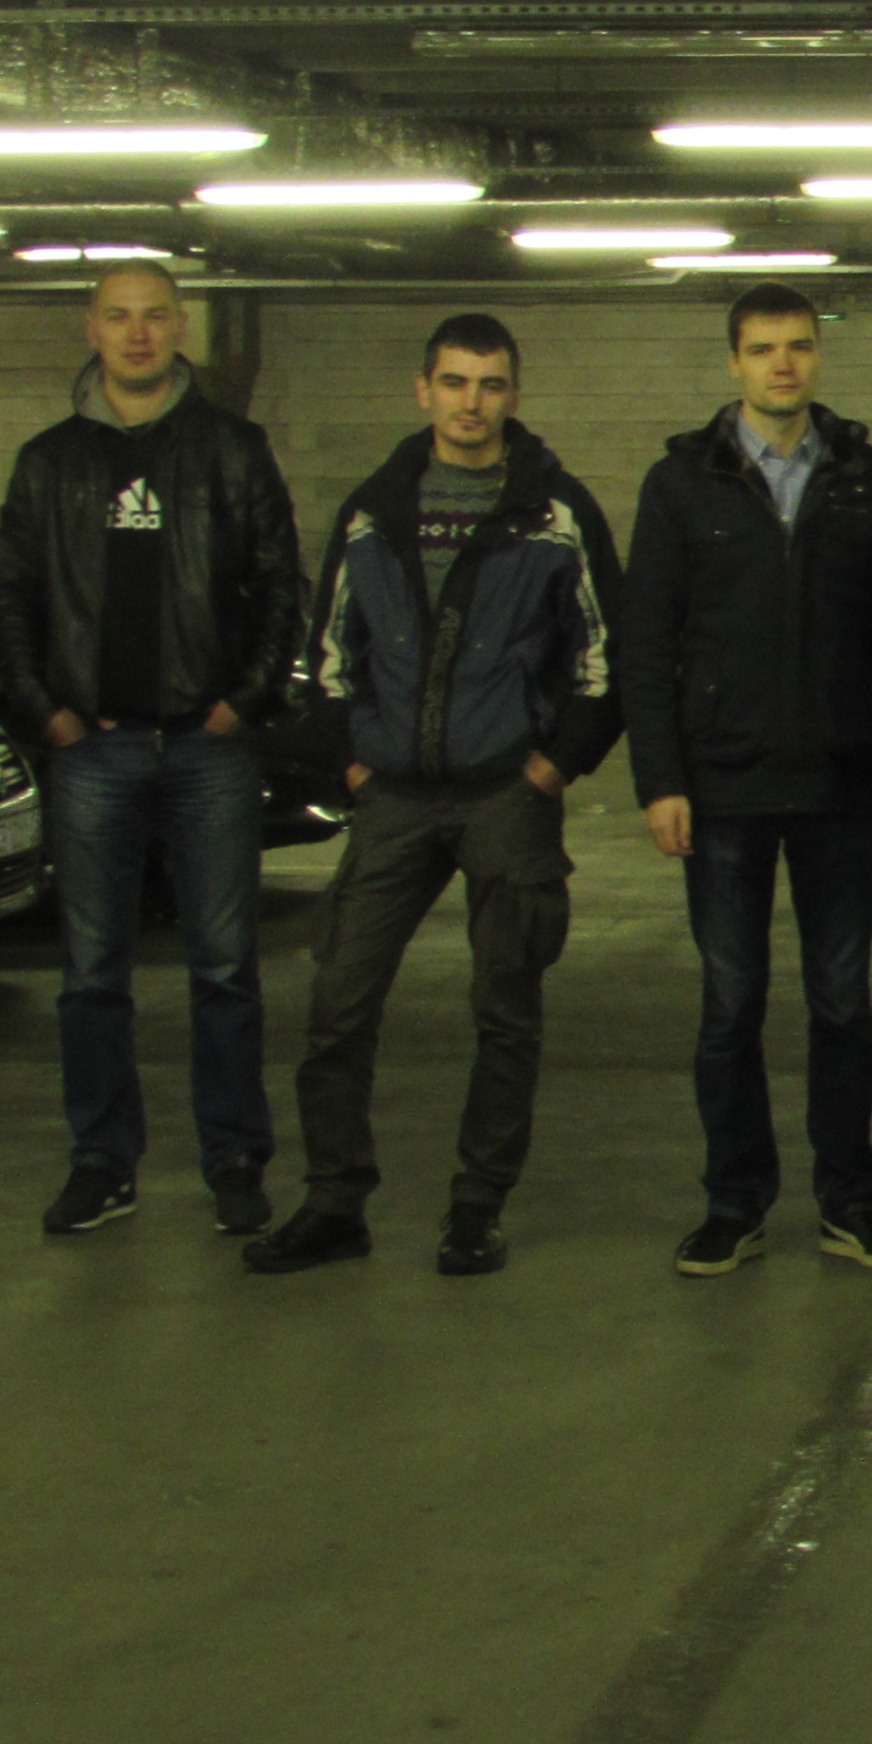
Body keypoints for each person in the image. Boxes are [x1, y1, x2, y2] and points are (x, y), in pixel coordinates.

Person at [247, 314, 624, 1279]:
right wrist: (354, 767)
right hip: (394, 800)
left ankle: (476, 1208)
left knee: (505, 1011)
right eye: (454, 382)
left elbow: (604, 661)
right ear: (424, 390)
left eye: (490, 385)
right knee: (338, 1005)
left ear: (513, 394)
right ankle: (334, 1201)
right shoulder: (374, 511)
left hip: (507, 797)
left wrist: (551, 768)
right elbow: (331, 654)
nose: (472, 403)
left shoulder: (555, 512)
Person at [0, 258, 307, 1238]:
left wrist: (243, 702)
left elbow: (280, 584)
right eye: (119, 316)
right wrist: (46, 709)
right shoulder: (47, 463)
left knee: (225, 970)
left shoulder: (232, 450)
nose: (137, 333)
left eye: (156, 316)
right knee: (92, 975)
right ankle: (102, 1163)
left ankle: (235, 1161)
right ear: (91, 329)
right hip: (94, 752)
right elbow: (14, 597)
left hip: (207, 748)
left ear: (180, 329)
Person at [622, 280, 872, 1278]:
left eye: (798, 345)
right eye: (762, 348)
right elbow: (645, 639)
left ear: (817, 356)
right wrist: (660, 779)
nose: (783, 364)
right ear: (734, 362)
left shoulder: (866, 478)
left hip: (840, 783)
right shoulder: (681, 484)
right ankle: (734, 1202)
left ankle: (850, 1200)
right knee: (729, 1007)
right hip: (722, 788)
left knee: (843, 1006)